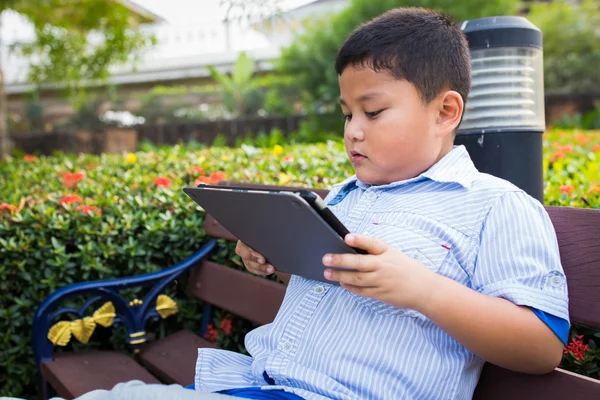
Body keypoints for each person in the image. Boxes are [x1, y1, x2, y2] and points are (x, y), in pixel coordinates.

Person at [63, 7, 569, 400]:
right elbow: (335, 288)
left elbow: (541, 346)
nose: (353, 131)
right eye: (347, 113)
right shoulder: (345, 196)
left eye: (373, 112)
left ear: (445, 111)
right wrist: (277, 258)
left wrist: (422, 289)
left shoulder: (495, 206)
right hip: (259, 384)